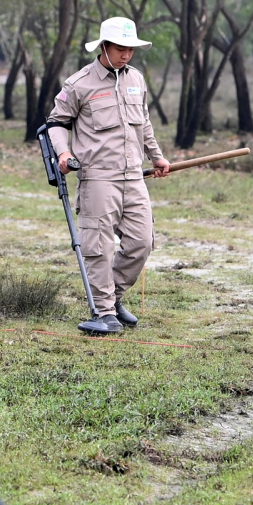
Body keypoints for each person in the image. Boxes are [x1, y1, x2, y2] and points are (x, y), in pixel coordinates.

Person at [47, 17, 170, 335]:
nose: (126, 55)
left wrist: (156, 157)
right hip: (98, 177)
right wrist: (63, 153)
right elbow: (56, 123)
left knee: (142, 243)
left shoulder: (137, 80)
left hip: (134, 177)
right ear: (104, 47)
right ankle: (102, 311)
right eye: (120, 48)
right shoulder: (80, 83)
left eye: (130, 49)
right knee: (98, 246)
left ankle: (112, 298)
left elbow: (143, 124)